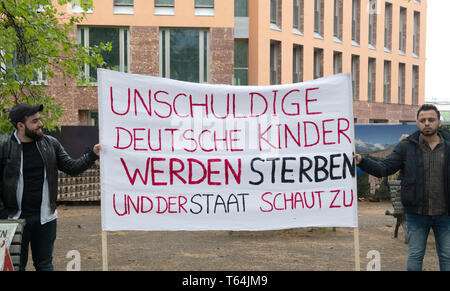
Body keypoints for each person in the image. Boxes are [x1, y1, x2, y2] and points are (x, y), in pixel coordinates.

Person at [0, 103, 100, 271]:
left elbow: (71, 167)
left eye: (40, 119)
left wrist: (92, 155)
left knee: (45, 265)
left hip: (45, 219)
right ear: (20, 125)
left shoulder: (50, 143)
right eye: (35, 121)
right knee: (13, 267)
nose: (40, 124)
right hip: (14, 221)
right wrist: (3, 215)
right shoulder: (4, 147)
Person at [355, 104, 450, 271]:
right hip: (416, 214)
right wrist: (363, 161)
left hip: (446, 214)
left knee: (447, 256)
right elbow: (385, 168)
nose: (427, 123)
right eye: (422, 120)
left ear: (439, 122)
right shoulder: (406, 147)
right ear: (417, 123)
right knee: (415, 255)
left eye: (431, 119)